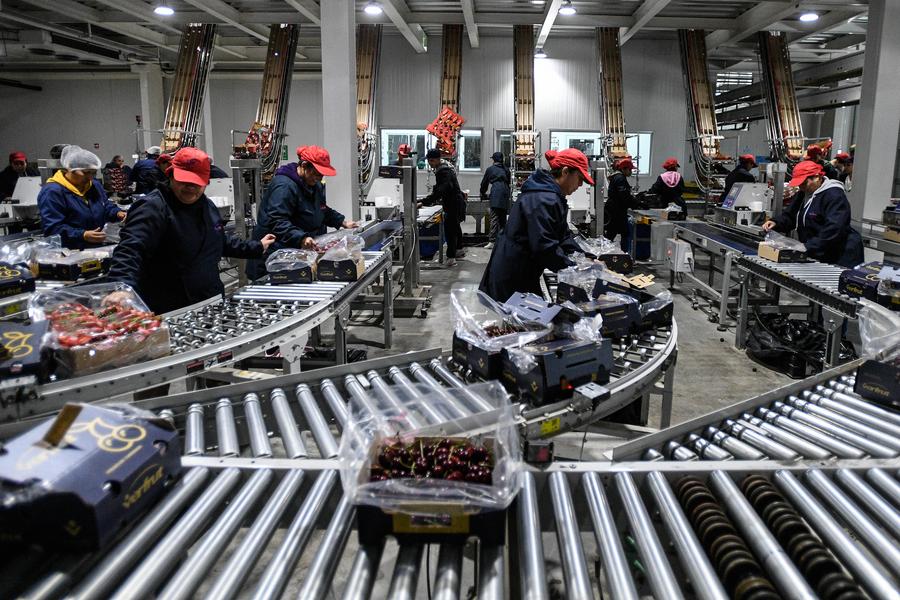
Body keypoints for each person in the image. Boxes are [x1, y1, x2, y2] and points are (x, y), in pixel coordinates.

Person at [107, 147, 275, 314]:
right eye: (184, 181)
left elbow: (219, 242)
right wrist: (121, 286)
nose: (191, 188)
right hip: (171, 307)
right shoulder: (153, 207)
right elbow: (131, 248)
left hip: (210, 300)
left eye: (197, 183)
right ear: (171, 175)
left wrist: (256, 247)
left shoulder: (207, 206)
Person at [479, 148, 592, 302]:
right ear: (565, 172)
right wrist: (573, 269)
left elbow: (563, 236)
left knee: (529, 321)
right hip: (514, 274)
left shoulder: (552, 196)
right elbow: (544, 247)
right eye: (579, 178)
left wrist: (586, 258)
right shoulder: (543, 199)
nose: (580, 185)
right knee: (523, 322)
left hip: (524, 269)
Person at [246, 145, 357, 279]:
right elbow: (277, 220)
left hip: (295, 254)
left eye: (321, 175)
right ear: (304, 165)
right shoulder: (284, 186)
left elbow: (321, 209)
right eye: (315, 173)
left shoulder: (313, 184)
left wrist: (342, 222)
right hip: (275, 256)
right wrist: (301, 238)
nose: (318, 178)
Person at [762, 160, 863, 268]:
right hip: (818, 251)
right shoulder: (803, 193)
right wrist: (775, 223)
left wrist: (807, 247)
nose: (801, 187)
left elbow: (834, 229)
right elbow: (790, 216)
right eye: (799, 184)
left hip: (840, 255)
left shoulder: (834, 196)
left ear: (817, 177)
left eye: (804, 183)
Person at [38, 145, 125, 249]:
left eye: (93, 173)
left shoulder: (94, 185)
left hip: (96, 246)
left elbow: (105, 206)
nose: (90, 177)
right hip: (70, 251)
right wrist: (82, 235)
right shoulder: (53, 192)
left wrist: (117, 213)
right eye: (86, 172)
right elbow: (52, 228)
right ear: (70, 169)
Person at [422, 148, 466, 266]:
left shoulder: (443, 171)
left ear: (436, 160)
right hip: (456, 202)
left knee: (450, 229)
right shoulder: (445, 168)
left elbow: (443, 188)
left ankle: (451, 257)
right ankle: (459, 250)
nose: (430, 164)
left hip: (453, 204)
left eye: (431, 161)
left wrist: (425, 201)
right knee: (456, 227)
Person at [604, 157, 637, 253]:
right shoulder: (620, 178)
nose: (631, 172)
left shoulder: (617, 177)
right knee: (623, 233)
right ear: (623, 169)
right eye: (630, 169)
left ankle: (607, 253)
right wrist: (636, 203)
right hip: (616, 211)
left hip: (614, 209)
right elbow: (624, 196)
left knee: (611, 234)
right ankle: (624, 255)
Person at [480, 151, 512, 248]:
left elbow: (484, 183)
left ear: (493, 160)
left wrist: (482, 193)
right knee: (503, 218)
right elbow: (509, 182)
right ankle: (504, 239)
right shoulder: (506, 170)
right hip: (505, 193)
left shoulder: (490, 169)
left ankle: (492, 241)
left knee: (494, 218)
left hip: (496, 192)